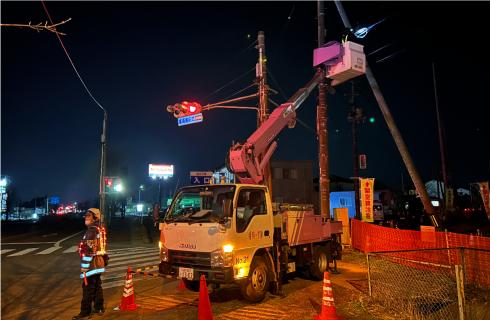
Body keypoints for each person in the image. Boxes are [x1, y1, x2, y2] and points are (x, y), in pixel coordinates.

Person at [72, 208, 107, 319]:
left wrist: (84, 267)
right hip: (99, 262)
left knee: (87, 288)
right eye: (86, 215)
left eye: (89, 215)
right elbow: (102, 247)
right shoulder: (100, 229)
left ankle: (85, 311)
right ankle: (99, 307)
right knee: (97, 286)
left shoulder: (91, 231)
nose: (86, 217)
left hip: (92, 265)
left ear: (95, 217)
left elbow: (89, 251)